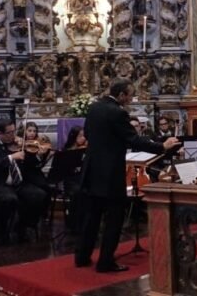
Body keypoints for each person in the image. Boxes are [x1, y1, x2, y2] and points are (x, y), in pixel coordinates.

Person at [75, 79, 180, 273]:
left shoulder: (94, 108)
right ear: (122, 94)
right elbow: (133, 139)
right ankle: (105, 262)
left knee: (92, 217)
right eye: (130, 95)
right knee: (114, 218)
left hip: (92, 170)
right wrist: (162, 147)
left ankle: (82, 257)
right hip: (111, 173)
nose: (131, 99)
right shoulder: (118, 112)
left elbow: (88, 134)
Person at [0, 118, 50, 245]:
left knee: (39, 195)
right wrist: (11, 157)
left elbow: (31, 165)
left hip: (18, 183)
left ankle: (23, 226)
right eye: (9, 133)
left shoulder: (18, 144)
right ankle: (1, 232)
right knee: (9, 199)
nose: (13, 135)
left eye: (14, 131)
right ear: (0, 133)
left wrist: (37, 155)